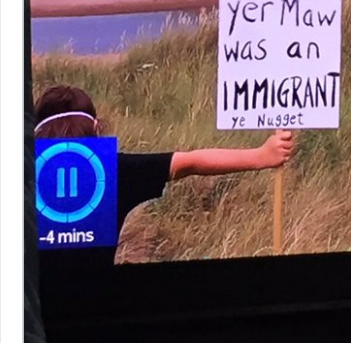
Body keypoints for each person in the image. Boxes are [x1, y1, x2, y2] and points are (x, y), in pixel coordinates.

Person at [34, 85, 295, 261]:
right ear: (94, 126)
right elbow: (192, 162)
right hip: (95, 309)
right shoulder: (115, 170)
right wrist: (262, 156)